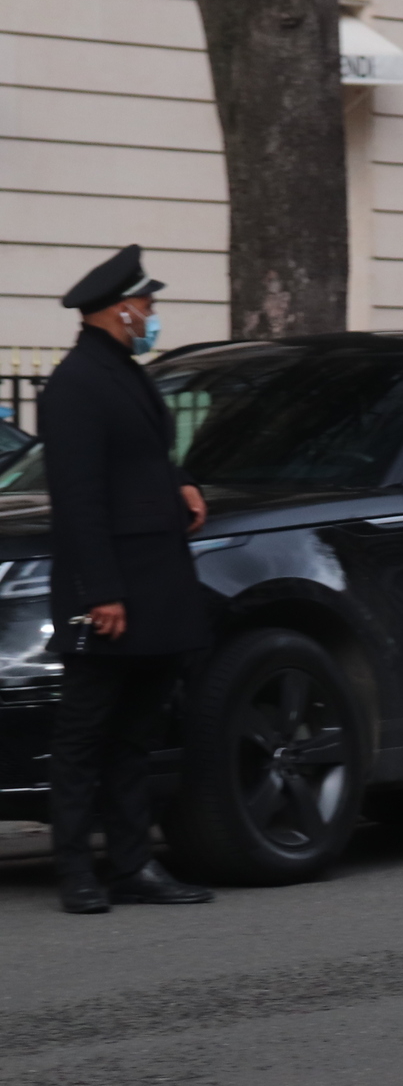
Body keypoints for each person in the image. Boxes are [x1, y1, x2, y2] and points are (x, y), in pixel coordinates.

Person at [40, 245, 216, 914]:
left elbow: (142, 456)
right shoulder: (75, 384)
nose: (152, 316)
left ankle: (133, 864)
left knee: (134, 736)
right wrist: (99, 591)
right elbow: (78, 499)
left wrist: (181, 482)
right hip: (112, 592)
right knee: (84, 735)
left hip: (155, 583)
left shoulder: (122, 370)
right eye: (147, 305)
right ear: (120, 309)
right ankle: (76, 870)